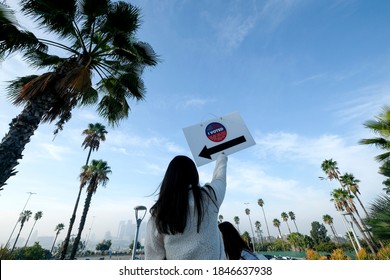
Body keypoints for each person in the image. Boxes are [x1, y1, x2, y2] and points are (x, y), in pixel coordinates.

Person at [145, 153, 228, 260]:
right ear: (195, 176)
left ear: (167, 179)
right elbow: (220, 178)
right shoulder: (209, 198)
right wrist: (221, 156)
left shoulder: (157, 216)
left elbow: (153, 259)